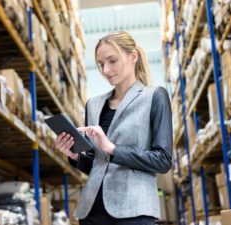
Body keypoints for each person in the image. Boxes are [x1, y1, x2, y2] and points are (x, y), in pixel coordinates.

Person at [55, 31, 173, 225]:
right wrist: (75, 156)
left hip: (134, 211)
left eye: (112, 61)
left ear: (133, 56)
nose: (106, 70)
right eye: (101, 64)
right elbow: (98, 164)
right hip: (92, 211)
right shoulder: (93, 104)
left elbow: (163, 160)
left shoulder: (154, 97)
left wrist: (112, 149)